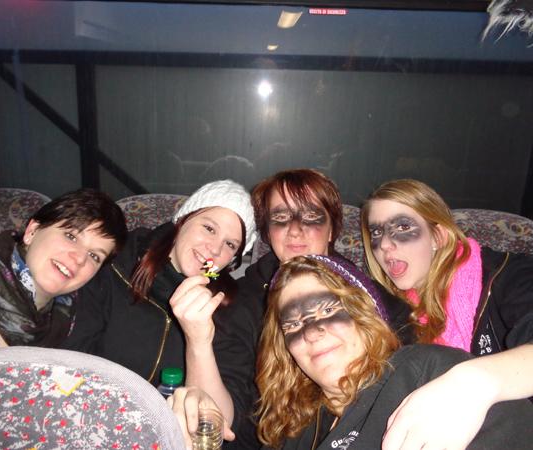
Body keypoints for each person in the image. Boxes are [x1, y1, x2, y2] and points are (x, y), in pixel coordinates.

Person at [177, 169, 412, 449]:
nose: (295, 229)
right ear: (268, 233)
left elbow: (414, 371)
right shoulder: (241, 304)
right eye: (281, 218)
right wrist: (197, 342)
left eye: (311, 217)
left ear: (332, 230)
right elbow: (224, 420)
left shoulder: (375, 300)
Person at [256, 254, 533, 450]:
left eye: (328, 309)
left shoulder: (427, 374)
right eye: (293, 324)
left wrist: (476, 383)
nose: (311, 332)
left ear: (365, 314)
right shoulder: (293, 430)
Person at [61, 180, 257, 429]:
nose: (215, 249)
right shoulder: (115, 262)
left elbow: (220, 424)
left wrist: (198, 341)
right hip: (89, 420)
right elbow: (70, 360)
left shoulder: (228, 308)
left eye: (230, 245)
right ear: (183, 220)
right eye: (209, 228)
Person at [361, 178, 533, 450]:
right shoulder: (389, 311)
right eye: (377, 232)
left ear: (438, 236)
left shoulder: (509, 275)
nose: (384, 245)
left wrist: (473, 382)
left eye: (403, 227)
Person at [0, 188, 127, 357]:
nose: (79, 258)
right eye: (71, 236)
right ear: (32, 231)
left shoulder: (82, 327)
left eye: (94, 256)